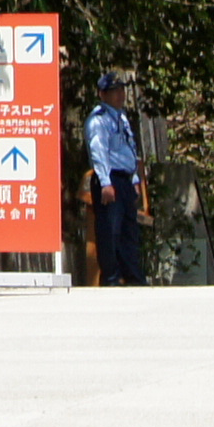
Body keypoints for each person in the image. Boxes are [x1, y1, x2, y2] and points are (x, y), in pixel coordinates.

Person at [82, 72, 148, 289]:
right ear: (102, 94)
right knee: (110, 230)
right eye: (113, 91)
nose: (119, 95)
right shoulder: (99, 119)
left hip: (125, 178)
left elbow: (130, 150)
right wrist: (105, 182)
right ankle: (111, 277)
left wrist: (135, 179)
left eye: (121, 90)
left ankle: (132, 276)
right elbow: (99, 152)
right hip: (109, 178)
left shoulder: (121, 117)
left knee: (129, 230)